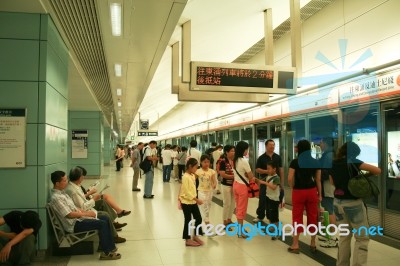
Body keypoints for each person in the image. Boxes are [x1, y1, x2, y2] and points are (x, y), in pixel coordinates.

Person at [49, 171, 121, 260]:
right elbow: (69, 215)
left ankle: (104, 246)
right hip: (74, 224)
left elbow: (74, 208)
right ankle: (107, 252)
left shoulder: (62, 193)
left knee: (104, 217)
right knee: (102, 224)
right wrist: (87, 214)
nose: (67, 182)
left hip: (79, 219)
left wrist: (87, 213)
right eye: (64, 181)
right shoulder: (56, 198)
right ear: (57, 183)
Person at [329, 141, 381, 266]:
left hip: (337, 203)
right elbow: (377, 170)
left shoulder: (333, 163)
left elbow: (332, 182)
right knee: (362, 238)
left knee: (344, 236)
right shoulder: (354, 162)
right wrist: (362, 176)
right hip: (353, 204)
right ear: (354, 153)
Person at [66, 167, 127, 243]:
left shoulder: (75, 186)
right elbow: (83, 207)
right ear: (80, 177)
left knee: (102, 202)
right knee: (104, 214)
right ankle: (113, 235)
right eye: (82, 176)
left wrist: (90, 195)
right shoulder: (73, 190)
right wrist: (94, 198)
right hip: (83, 211)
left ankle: (112, 224)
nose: (83, 178)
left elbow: (81, 200)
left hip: (84, 207)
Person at [287, 139, 321, 254]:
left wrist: (292, 187)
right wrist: (320, 194)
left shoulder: (295, 162)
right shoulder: (315, 162)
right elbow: (318, 180)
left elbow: (290, 178)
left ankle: (295, 244)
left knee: (297, 217)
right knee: (313, 216)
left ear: (299, 149)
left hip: (299, 192)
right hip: (312, 191)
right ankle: (313, 243)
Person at [253, 139, 283, 223]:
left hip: (275, 181)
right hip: (264, 181)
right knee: (262, 199)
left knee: (273, 200)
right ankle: (260, 215)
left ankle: (271, 217)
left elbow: (281, 170)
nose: (272, 146)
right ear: (266, 146)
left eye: (273, 145)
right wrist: (267, 171)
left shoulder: (278, 157)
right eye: (270, 145)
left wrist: (281, 183)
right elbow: (257, 169)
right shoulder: (261, 158)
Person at [233, 141, 256, 238]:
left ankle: (240, 228)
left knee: (238, 207)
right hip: (242, 187)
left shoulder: (235, 160)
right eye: (246, 149)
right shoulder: (244, 161)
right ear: (243, 150)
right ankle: (240, 231)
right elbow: (251, 176)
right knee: (242, 209)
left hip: (235, 185)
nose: (247, 151)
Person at [179, 158, 204, 247]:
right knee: (188, 220)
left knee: (198, 218)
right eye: (195, 167)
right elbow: (186, 191)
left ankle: (195, 236)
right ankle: (187, 239)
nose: (196, 169)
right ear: (190, 166)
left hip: (193, 201)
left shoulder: (192, 175)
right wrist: (197, 200)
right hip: (186, 202)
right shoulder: (185, 177)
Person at [318, 137, 338, 248]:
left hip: (327, 186)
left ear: (325, 143)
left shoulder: (329, 155)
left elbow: (326, 172)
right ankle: (328, 236)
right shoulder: (329, 154)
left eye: (321, 142)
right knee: (328, 210)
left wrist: (317, 173)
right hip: (328, 186)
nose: (320, 144)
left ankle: (333, 238)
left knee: (330, 211)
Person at [255, 161, 280, 240]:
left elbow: (274, 187)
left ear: (274, 169)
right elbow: (260, 182)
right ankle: (271, 227)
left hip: (274, 199)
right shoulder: (268, 176)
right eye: (267, 169)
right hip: (268, 197)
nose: (267, 170)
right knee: (269, 214)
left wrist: (265, 183)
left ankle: (276, 231)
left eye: (269, 169)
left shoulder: (276, 178)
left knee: (274, 215)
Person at [196, 155, 217, 234]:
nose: (207, 163)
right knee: (204, 206)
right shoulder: (198, 171)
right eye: (205, 162)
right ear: (201, 162)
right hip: (201, 191)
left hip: (209, 191)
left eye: (208, 162)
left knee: (208, 206)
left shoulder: (212, 171)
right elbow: (193, 180)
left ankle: (204, 223)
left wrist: (214, 184)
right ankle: (207, 224)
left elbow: (214, 180)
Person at [218, 145, 235, 226]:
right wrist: (233, 177)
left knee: (233, 203)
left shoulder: (235, 161)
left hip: (234, 185)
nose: (233, 152)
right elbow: (222, 174)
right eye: (232, 151)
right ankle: (224, 221)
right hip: (226, 185)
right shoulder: (223, 162)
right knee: (227, 203)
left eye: (234, 151)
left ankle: (229, 219)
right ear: (227, 152)